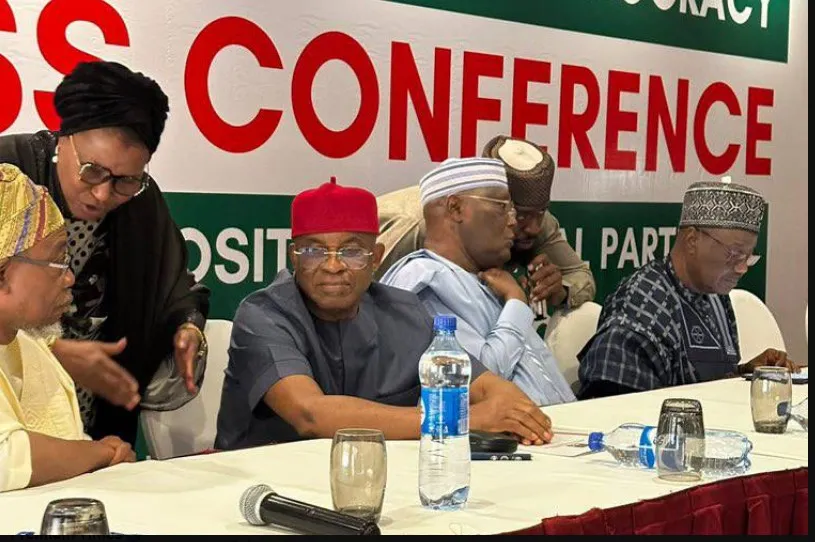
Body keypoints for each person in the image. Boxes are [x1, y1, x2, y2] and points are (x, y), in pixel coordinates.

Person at [215, 177, 553, 450]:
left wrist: (516, 414)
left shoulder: (404, 310)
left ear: (376, 258)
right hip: (262, 487)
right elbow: (311, 414)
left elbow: (487, 387)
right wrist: (461, 420)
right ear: (294, 257)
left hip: (379, 480)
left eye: (351, 252)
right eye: (314, 251)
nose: (332, 266)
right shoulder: (263, 315)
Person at [0, 60, 210, 445]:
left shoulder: (140, 200)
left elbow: (175, 286)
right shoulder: (8, 175)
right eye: (92, 171)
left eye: (125, 180)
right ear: (64, 139)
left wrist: (187, 327)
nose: (102, 194)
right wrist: (54, 354)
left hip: (97, 421)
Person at [577, 179, 801, 399]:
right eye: (734, 254)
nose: (742, 268)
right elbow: (617, 409)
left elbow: (699, 385)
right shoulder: (638, 309)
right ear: (692, 240)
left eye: (748, 257)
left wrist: (744, 374)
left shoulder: (715, 295)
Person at [380, 158, 576, 407]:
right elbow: (479, 382)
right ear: (455, 208)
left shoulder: (482, 277)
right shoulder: (423, 280)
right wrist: (516, 302)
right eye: (502, 208)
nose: (513, 222)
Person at [1, 164, 134, 492]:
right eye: (58, 260)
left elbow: (67, 439)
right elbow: (6, 458)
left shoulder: (30, 347)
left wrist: (101, 454)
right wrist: (101, 453)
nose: (69, 277)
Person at [376, 135, 595, 311]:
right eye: (517, 214)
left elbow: (579, 275)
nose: (535, 228)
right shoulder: (419, 225)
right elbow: (366, 297)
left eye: (540, 213)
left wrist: (560, 290)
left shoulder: (538, 223)